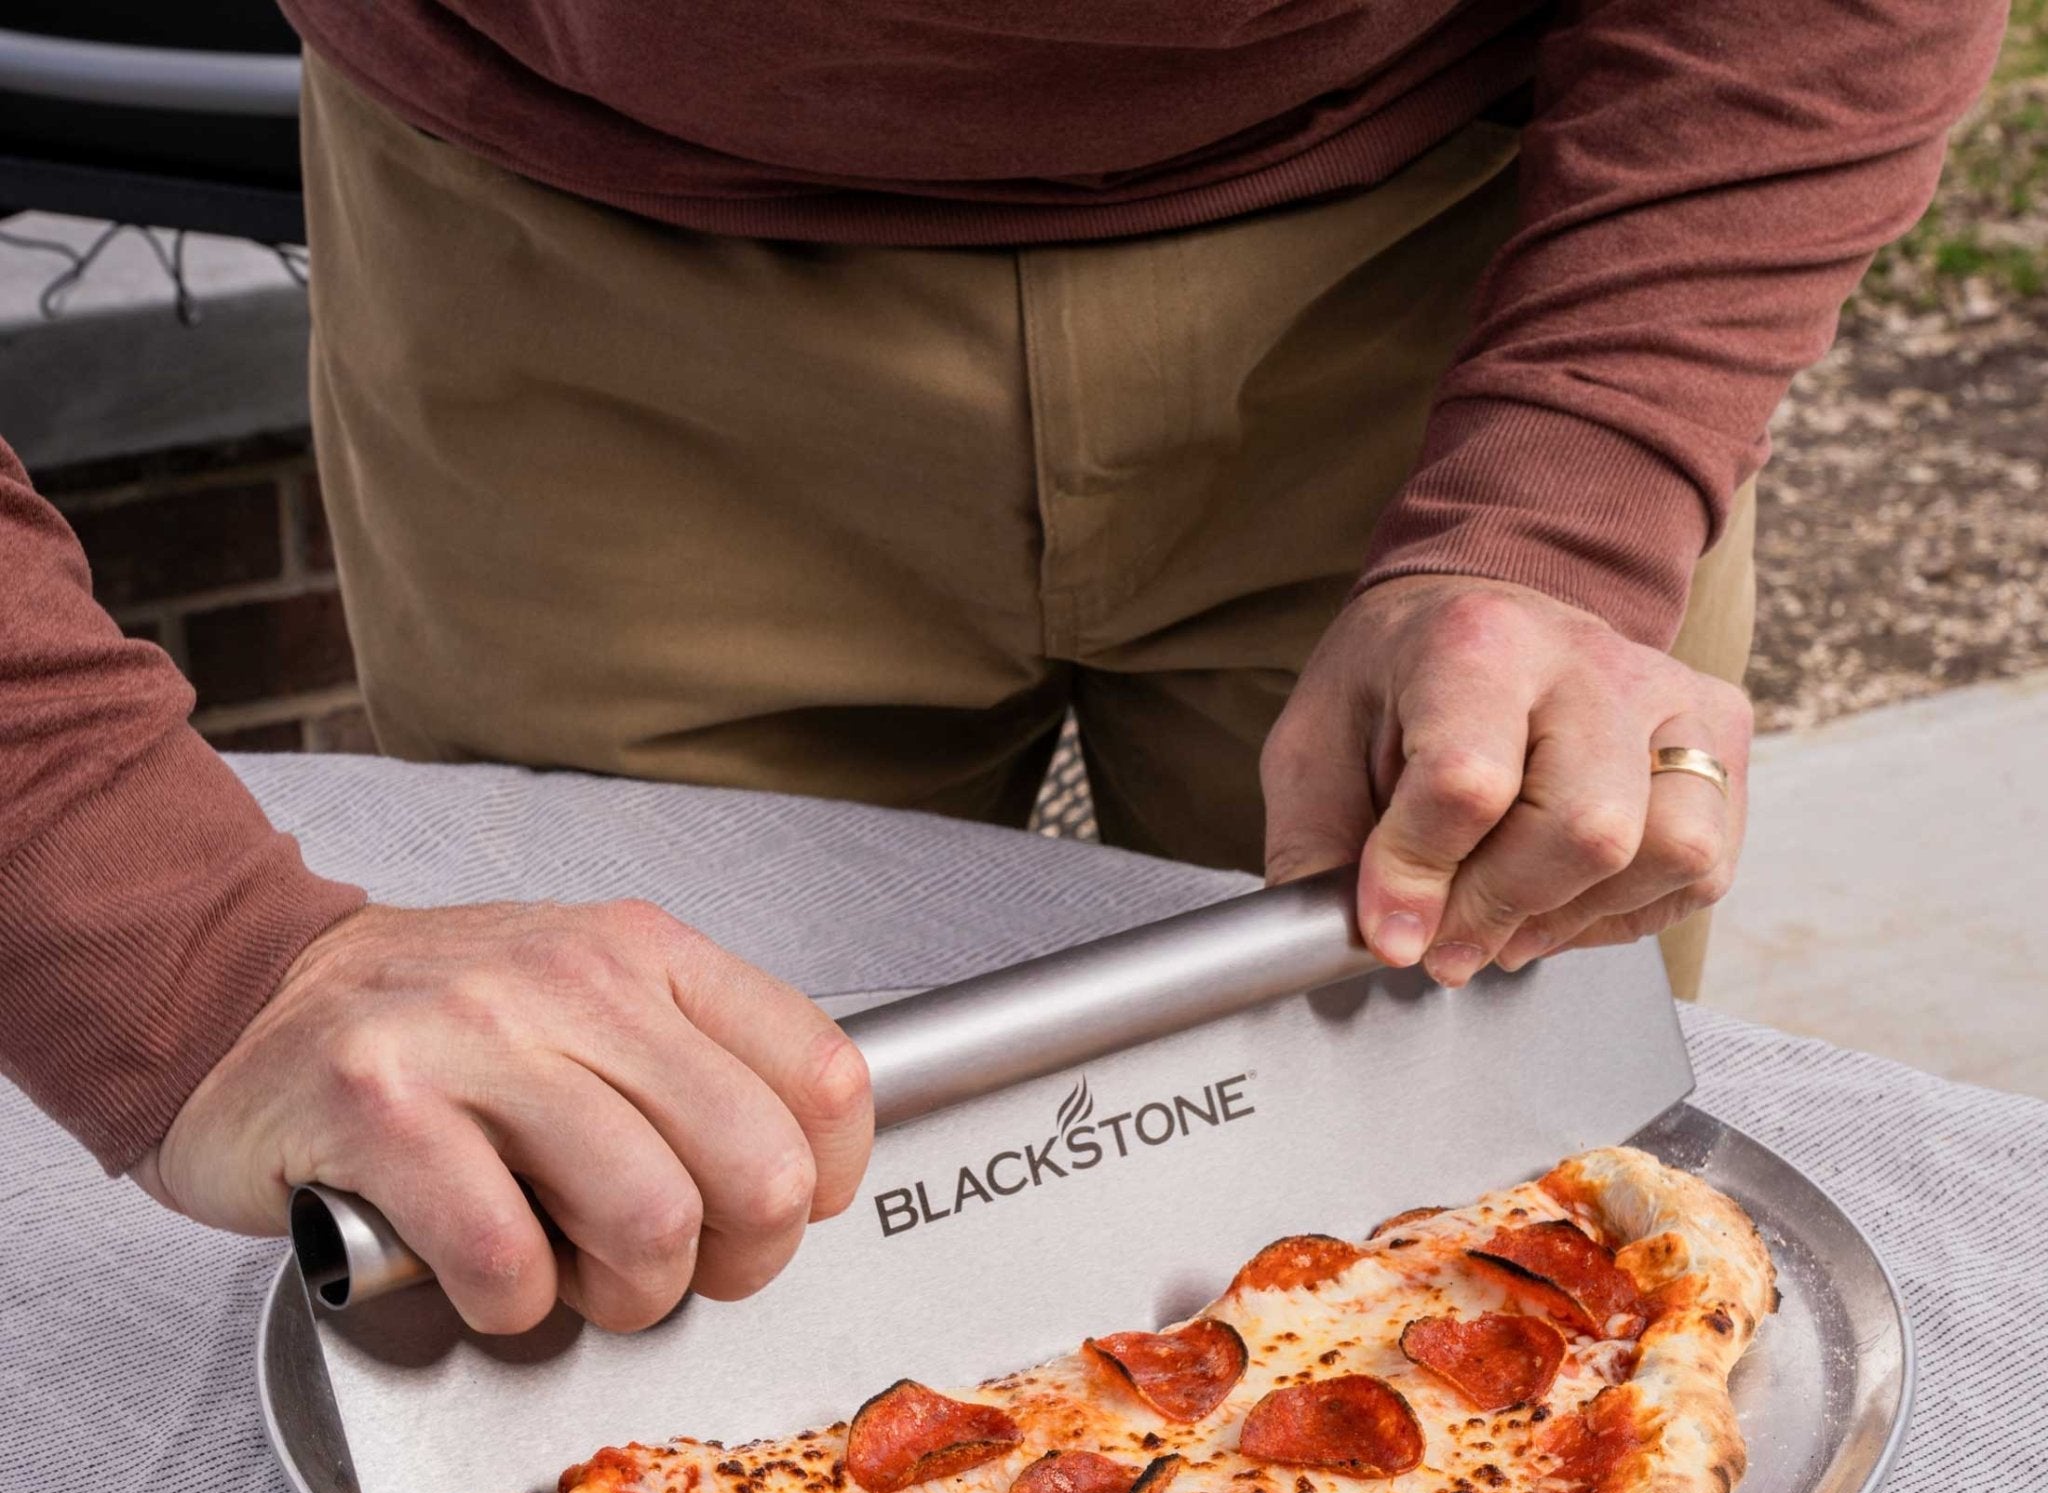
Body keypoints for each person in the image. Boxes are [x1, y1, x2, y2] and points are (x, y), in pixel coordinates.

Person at [0, 0, 2000, 1335]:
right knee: (623, 1262)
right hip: (574, 261)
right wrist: (173, 942)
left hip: (1468, 235)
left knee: (1498, 1243)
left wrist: (1576, 491)